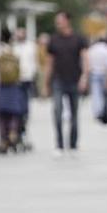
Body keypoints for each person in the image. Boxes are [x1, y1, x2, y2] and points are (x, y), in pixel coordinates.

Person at [44, 11, 88, 157]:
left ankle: (73, 143)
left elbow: (85, 59)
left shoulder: (79, 39)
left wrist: (84, 77)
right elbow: (49, 63)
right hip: (58, 80)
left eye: (60, 20)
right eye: (57, 21)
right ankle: (59, 144)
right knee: (57, 112)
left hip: (75, 80)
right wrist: (46, 83)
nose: (58, 23)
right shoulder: (53, 40)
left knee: (74, 114)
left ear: (67, 21)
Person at [0, 30, 25, 154]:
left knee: (2, 115)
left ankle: (3, 140)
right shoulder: (15, 50)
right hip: (13, 85)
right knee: (14, 113)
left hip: (1, 86)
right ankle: (13, 132)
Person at [87, 35, 107, 121]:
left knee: (96, 94)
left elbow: (88, 61)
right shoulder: (106, 49)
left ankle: (97, 111)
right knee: (104, 94)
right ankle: (103, 110)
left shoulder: (92, 49)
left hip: (94, 73)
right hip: (104, 73)